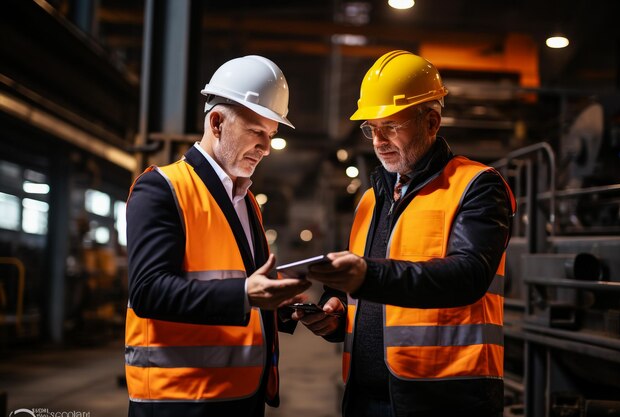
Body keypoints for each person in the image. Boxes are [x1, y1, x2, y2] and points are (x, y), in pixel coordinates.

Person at [295, 50, 516, 417]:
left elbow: (468, 276)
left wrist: (367, 276)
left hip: (444, 400)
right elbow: (372, 291)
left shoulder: (476, 186)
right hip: (363, 398)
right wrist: (336, 314)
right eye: (371, 128)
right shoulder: (370, 199)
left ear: (431, 121)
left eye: (391, 126)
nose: (378, 140)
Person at [124, 55, 311, 417]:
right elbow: (148, 291)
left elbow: (240, 287)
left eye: (271, 135)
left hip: (240, 397)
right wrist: (245, 294)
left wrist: (280, 308)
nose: (266, 147)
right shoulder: (161, 189)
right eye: (258, 132)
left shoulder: (247, 201)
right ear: (217, 122)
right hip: (179, 402)